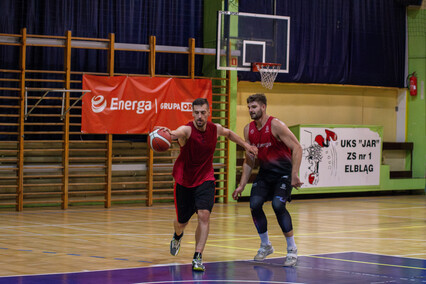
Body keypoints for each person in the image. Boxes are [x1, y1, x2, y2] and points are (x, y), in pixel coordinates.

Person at [159, 98, 257, 272]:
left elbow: (228, 134)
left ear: (208, 113)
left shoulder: (214, 129)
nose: (199, 116)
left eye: (203, 112)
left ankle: (197, 256)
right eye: (196, 112)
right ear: (192, 113)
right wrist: (169, 134)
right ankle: (177, 236)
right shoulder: (187, 130)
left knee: (204, 215)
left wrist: (246, 145)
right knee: (181, 222)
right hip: (185, 181)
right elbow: (177, 133)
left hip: (205, 179)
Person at [232, 93, 303, 267]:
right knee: (254, 204)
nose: (251, 110)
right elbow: (249, 160)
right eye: (249, 107)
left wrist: (294, 174)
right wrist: (241, 185)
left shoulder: (276, 125)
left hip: (283, 174)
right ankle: (266, 245)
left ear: (263, 107)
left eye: (254, 107)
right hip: (265, 174)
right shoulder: (248, 130)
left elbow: (297, 147)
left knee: (278, 206)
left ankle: (292, 249)